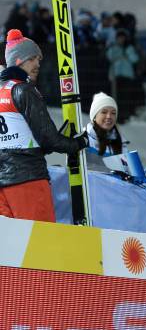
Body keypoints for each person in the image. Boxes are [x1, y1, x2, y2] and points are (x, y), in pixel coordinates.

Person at [0, 29, 88, 222]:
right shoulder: (23, 89)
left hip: (3, 183)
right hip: (28, 179)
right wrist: (81, 142)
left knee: (9, 249)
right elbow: (49, 139)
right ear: (18, 61)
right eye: (33, 58)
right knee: (39, 245)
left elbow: (22, 138)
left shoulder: (2, 91)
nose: (38, 64)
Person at [85, 92, 128, 171]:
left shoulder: (120, 141)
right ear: (94, 116)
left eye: (113, 113)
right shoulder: (84, 139)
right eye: (104, 112)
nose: (109, 116)